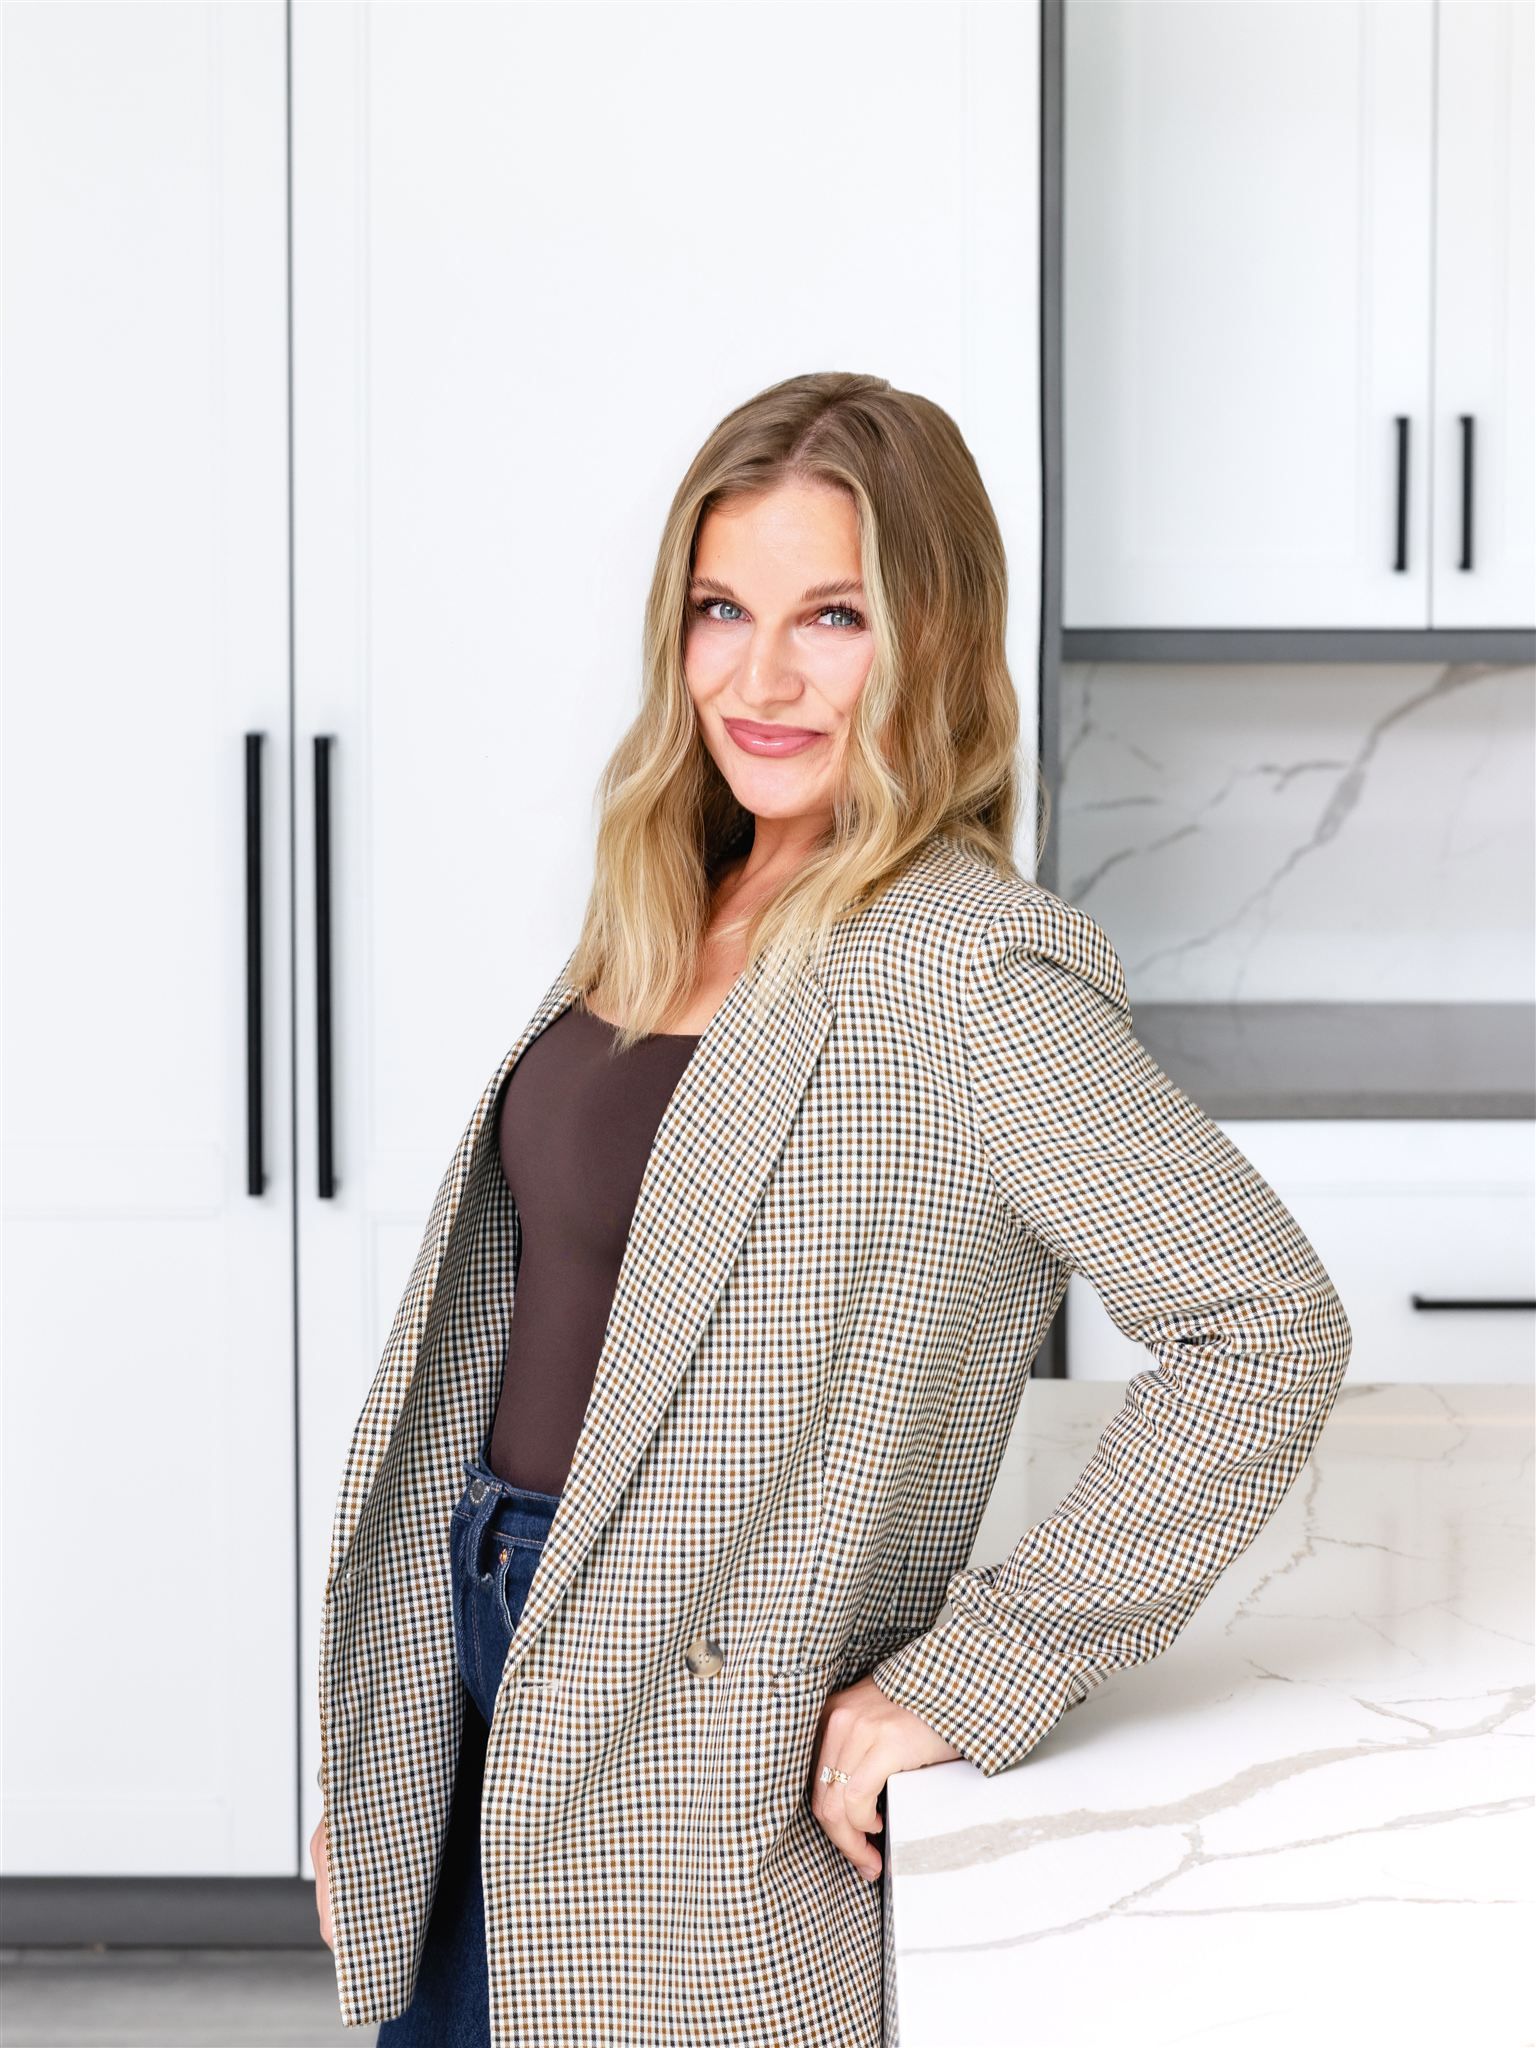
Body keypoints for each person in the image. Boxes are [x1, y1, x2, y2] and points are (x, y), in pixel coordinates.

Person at [310, 370, 1352, 2048]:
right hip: (478, 1642)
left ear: (930, 640)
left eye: (834, 617)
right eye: (722, 609)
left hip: (687, 1721)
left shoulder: (969, 972)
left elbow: (1265, 1326)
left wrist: (979, 1669)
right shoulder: (671, 896)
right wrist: (398, 1759)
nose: (762, 677)